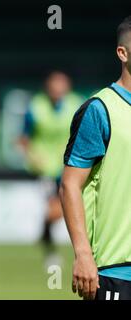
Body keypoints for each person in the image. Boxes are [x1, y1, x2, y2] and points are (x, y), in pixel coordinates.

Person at [60, 15, 131, 300]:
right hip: (116, 268)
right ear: (122, 53)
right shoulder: (100, 109)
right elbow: (70, 185)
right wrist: (82, 254)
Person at [18, 71, 83, 266]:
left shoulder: (77, 104)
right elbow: (23, 138)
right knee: (58, 207)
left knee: (61, 207)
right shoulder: (36, 107)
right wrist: (31, 156)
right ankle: (51, 248)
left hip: (70, 166)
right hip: (45, 169)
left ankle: (45, 234)